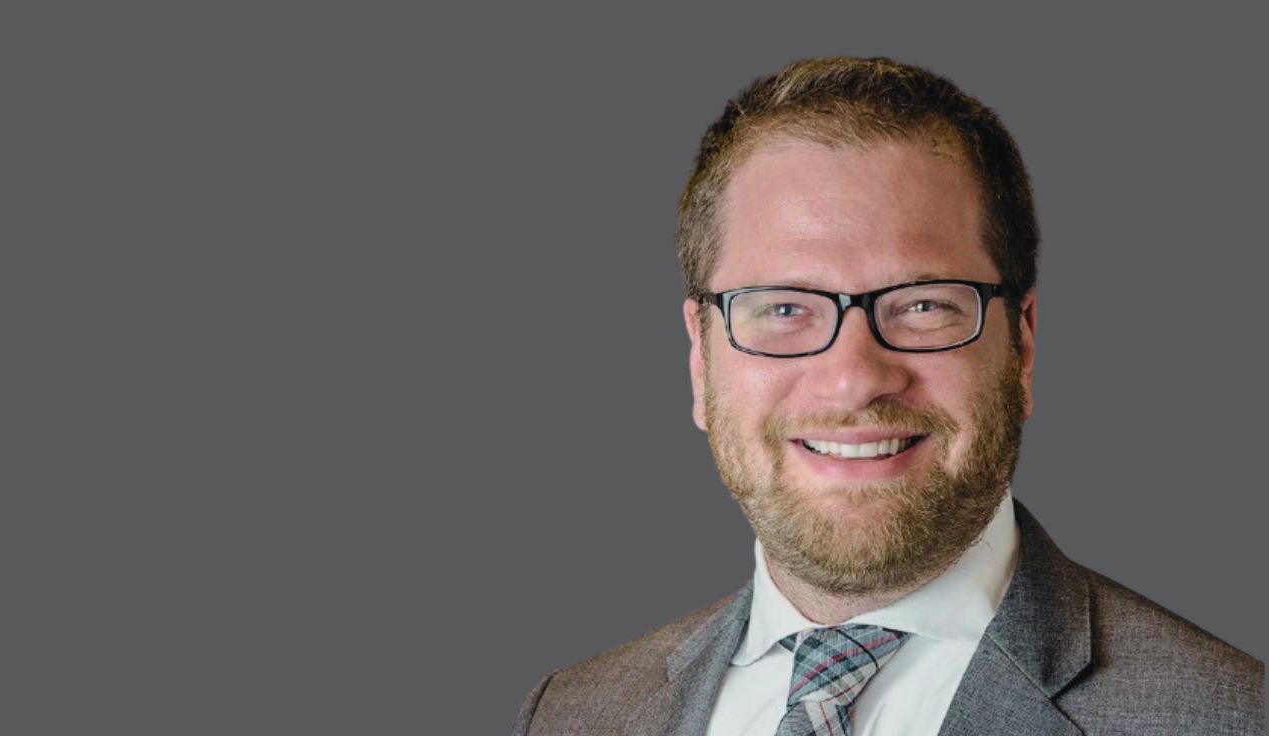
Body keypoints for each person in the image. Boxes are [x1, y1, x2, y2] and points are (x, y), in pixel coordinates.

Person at [513, 57, 1264, 736]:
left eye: (923, 305)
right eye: (782, 308)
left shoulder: (1226, 719)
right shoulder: (574, 712)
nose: (854, 377)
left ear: (1023, 345)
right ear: (700, 361)